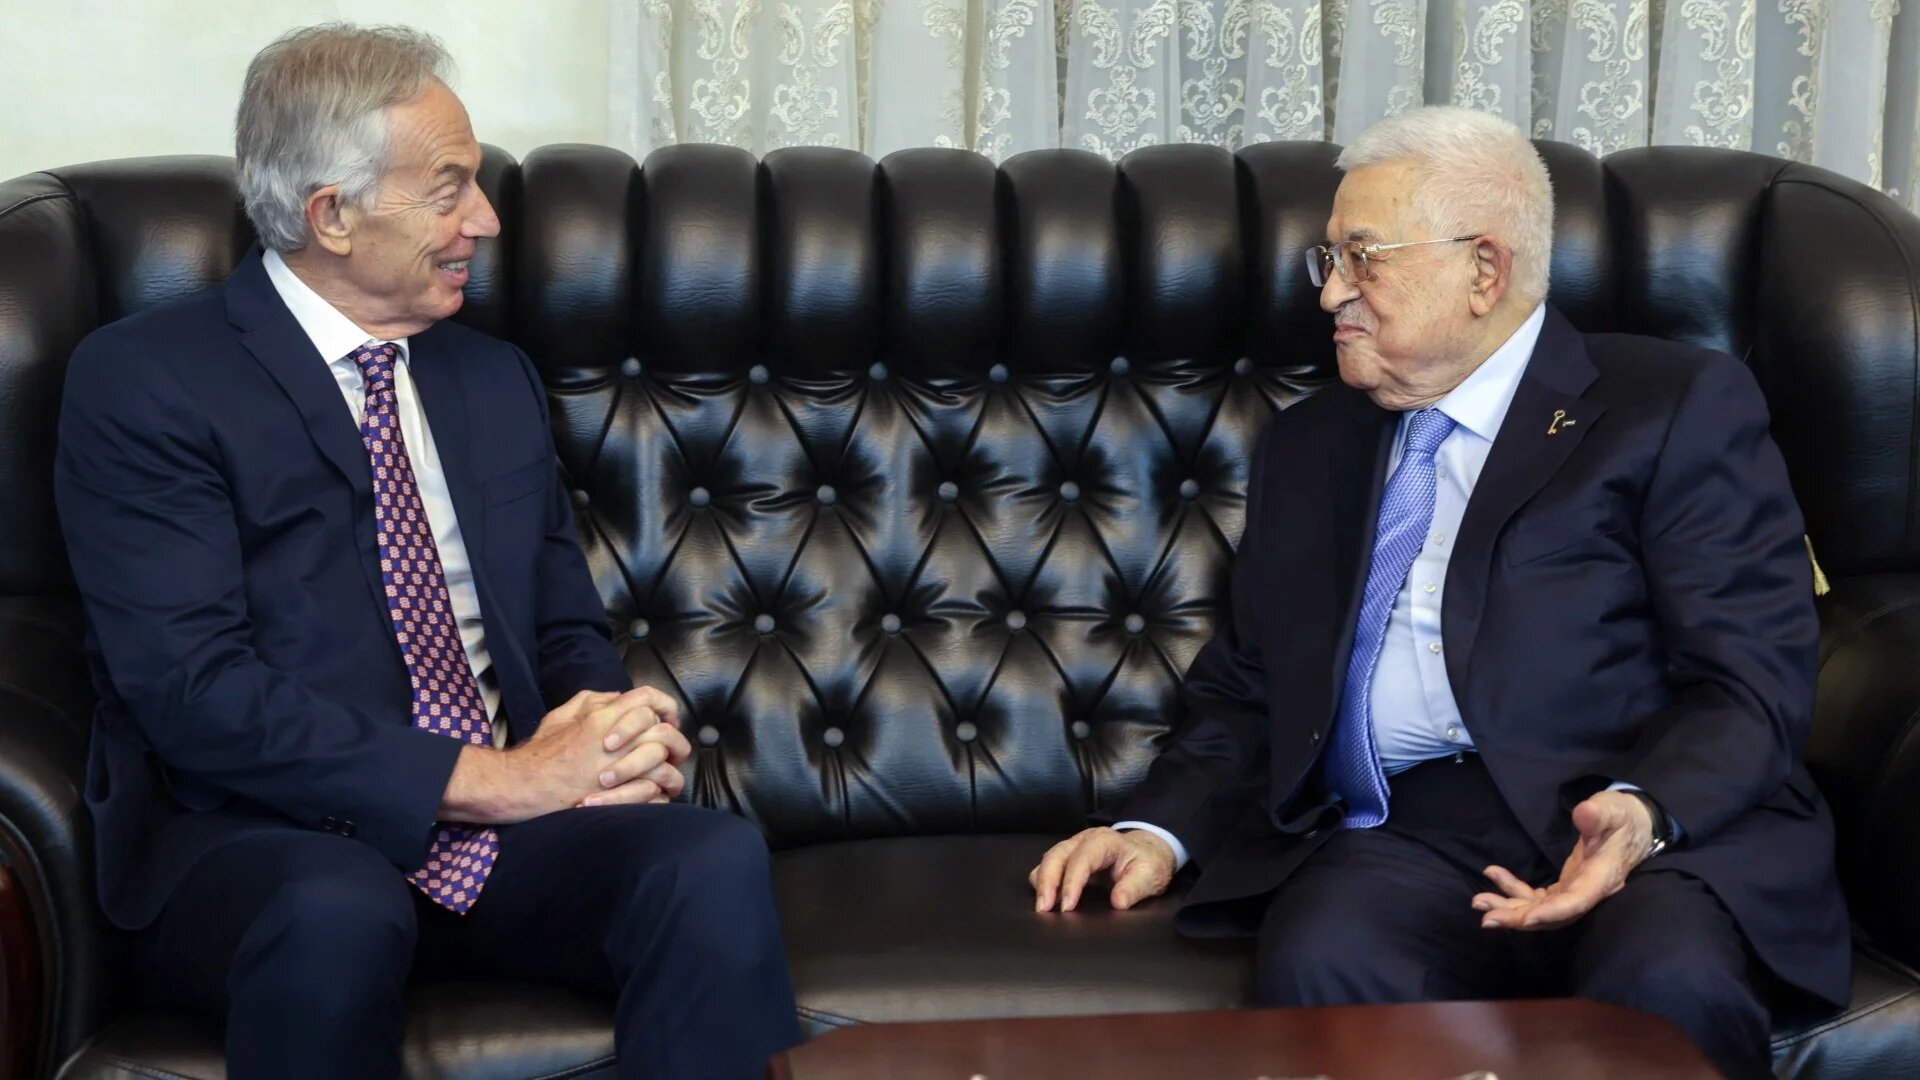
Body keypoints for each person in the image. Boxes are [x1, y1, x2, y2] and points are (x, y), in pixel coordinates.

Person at [1028, 105, 1849, 1080]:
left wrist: (1638, 810)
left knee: (1667, 983)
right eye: (1326, 260)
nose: (1333, 292)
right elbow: (1250, 688)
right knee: (1324, 956)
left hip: (1649, 822)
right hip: (1415, 834)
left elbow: (1748, 678)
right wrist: (1154, 829)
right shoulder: (1313, 445)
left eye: (1363, 258)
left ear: (1485, 270)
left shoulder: (1672, 406)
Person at [53, 23, 799, 1079]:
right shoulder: (145, 383)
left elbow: (560, 622)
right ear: (332, 215)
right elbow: (193, 690)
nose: (485, 221)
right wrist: (493, 779)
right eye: (449, 189)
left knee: (706, 859)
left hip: (505, 844)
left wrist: (610, 734)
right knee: (336, 910)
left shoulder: (487, 380)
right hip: (264, 842)